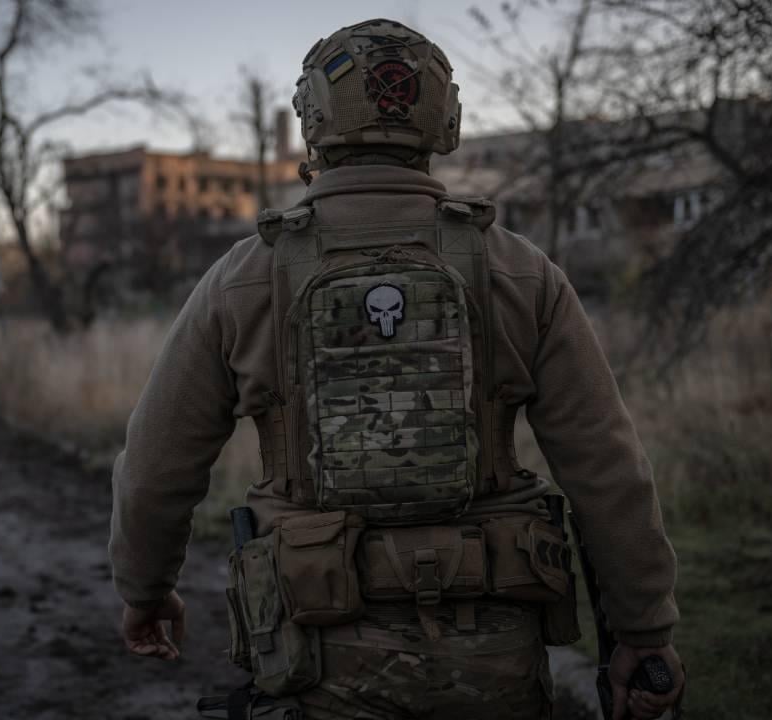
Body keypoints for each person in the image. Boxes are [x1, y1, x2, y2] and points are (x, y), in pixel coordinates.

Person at [111, 18, 686, 720]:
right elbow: (607, 468)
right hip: (492, 662)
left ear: (313, 118)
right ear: (444, 119)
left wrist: (145, 590)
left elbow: (155, 465)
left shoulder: (244, 277)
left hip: (314, 662)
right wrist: (644, 632)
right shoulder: (519, 270)